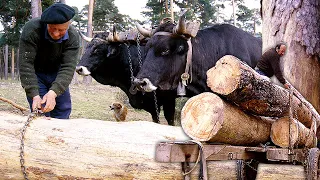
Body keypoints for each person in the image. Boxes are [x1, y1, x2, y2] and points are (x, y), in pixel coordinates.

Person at [19, 3, 80, 119]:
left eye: (61, 30)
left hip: (58, 73)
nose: (56, 34)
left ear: (69, 24)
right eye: (52, 28)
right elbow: (26, 64)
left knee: (63, 110)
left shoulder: (73, 37)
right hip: (36, 73)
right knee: (40, 111)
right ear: (46, 23)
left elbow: (68, 67)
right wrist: (34, 94)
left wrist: (54, 92)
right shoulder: (32, 30)